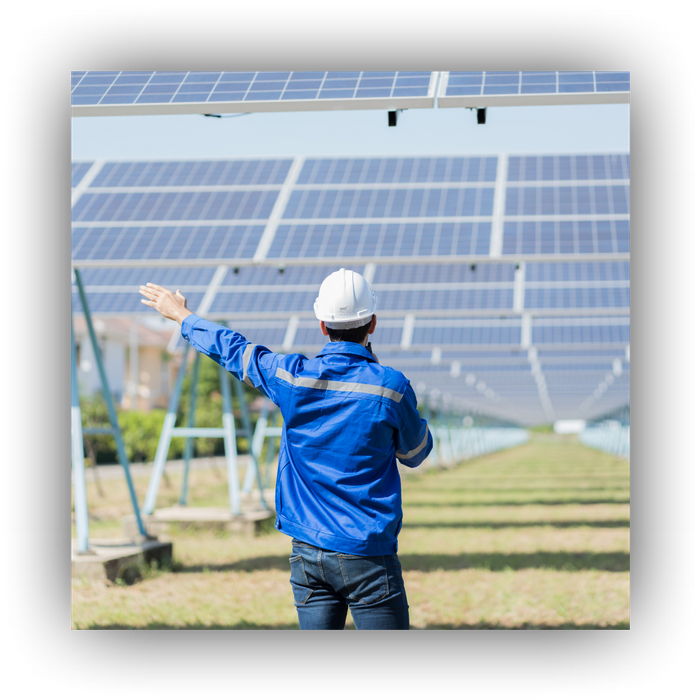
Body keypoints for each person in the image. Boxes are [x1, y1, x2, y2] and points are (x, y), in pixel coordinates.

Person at [139, 268, 432, 630]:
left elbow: (236, 350)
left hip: (308, 554)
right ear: (372, 323)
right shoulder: (391, 387)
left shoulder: (291, 376)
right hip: (369, 555)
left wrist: (183, 316)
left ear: (322, 325)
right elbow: (416, 453)